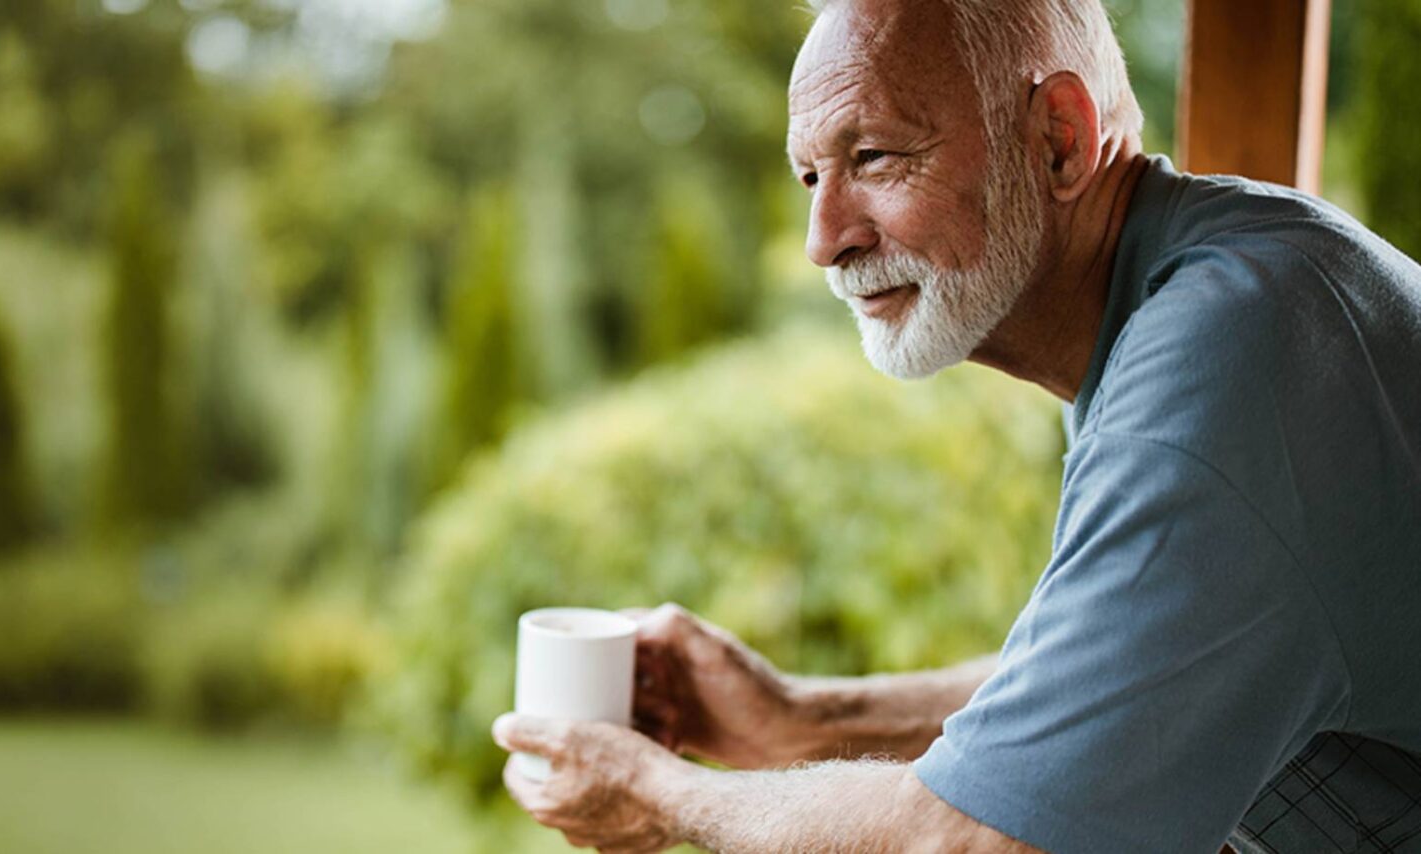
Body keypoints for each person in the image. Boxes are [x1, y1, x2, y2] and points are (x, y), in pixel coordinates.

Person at [489, 0, 1421, 851]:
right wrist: (801, 719)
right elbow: (1098, 700)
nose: (825, 238)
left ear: (1060, 138)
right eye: (811, 174)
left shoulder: (1230, 357)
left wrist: (658, 795)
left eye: (875, 158)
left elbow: (980, 842)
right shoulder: (1202, 295)